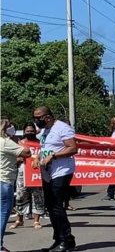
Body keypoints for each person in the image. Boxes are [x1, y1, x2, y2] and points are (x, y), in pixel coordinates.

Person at [32, 106, 78, 252]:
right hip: (48, 173)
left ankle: (67, 239)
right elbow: (46, 148)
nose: (36, 121)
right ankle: (58, 239)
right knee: (51, 207)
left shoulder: (62, 128)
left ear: (47, 117)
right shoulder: (45, 130)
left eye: (38, 118)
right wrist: (37, 157)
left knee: (57, 206)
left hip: (62, 171)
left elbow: (72, 148)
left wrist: (54, 156)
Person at [1, 118, 32, 252]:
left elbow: (14, 157)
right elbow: (27, 152)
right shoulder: (6, 142)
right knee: (3, 214)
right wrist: (17, 140)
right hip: (4, 181)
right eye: (9, 126)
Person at [10, 123, 45, 231]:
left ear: (35, 131)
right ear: (24, 132)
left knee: (37, 197)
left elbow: (44, 155)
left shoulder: (40, 144)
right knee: (20, 196)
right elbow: (14, 158)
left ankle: (36, 220)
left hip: (37, 174)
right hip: (23, 173)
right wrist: (21, 159)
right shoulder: (20, 144)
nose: (30, 132)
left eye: (32, 131)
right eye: (28, 131)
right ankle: (19, 220)